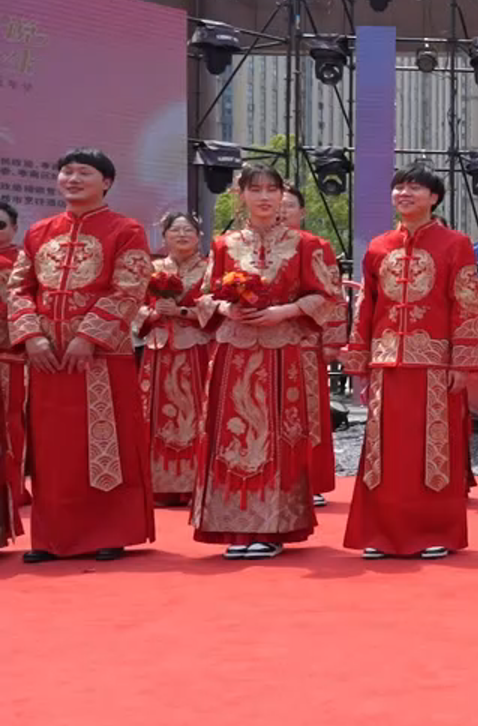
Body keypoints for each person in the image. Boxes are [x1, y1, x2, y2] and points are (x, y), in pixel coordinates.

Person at [5, 149, 155, 563]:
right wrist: (31, 337)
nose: (72, 179)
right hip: (48, 358)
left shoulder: (127, 230)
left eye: (83, 172)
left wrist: (88, 336)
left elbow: (129, 288)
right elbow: (19, 289)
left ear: (105, 182)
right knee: (53, 449)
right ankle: (52, 536)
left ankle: (108, 531)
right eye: (66, 172)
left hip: (102, 358)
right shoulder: (40, 232)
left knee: (104, 444)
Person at [190, 164, 346, 559]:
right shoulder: (224, 245)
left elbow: (329, 297)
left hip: (283, 353)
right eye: (255, 189)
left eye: (271, 190)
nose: (263, 197)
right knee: (231, 433)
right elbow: (204, 297)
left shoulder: (307, 244)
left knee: (280, 435)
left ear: (281, 196)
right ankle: (233, 526)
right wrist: (226, 307)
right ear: (240, 195)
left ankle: (273, 527)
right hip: (234, 352)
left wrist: (285, 311)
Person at [342, 166, 478, 560]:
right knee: (384, 452)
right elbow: (365, 307)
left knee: (432, 451)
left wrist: (462, 363)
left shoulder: (455, 244)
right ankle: (380, 533)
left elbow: (466, 304)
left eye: (414, 188)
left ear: (433, 198)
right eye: (399, 187)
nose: (404, 193)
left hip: (435, 365)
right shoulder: (378, 246)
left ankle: (434, 531)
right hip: (386, 363)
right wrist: (359, 363)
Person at [138, 212, 211, 507]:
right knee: (154, 413)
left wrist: (183, 312)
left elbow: (217, 308)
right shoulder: (152, 269)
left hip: (196, 348)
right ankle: (159, 484)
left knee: (197, 411)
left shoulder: (209, 268)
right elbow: (133, 304)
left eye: (188, 230)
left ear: (199, 236)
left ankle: (196, 483)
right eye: (175, 230)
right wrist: (153, 313)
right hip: (159, 349)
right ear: (164, 236)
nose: (182, 235)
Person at [280, 187, 344, 507]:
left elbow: (334, 296)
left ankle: (310, 481)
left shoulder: (317, 246)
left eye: (289, 206)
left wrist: (333, 341)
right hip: (261, 343)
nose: (281, 211)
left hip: (305, 343)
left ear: (302, 212)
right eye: (277, 205)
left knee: (308, 413)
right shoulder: (250, 246)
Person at [0, 200, 28, 508]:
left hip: (12, 355)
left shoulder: (23, 264)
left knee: (11, 421)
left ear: (15, 228)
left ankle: (14, 488)